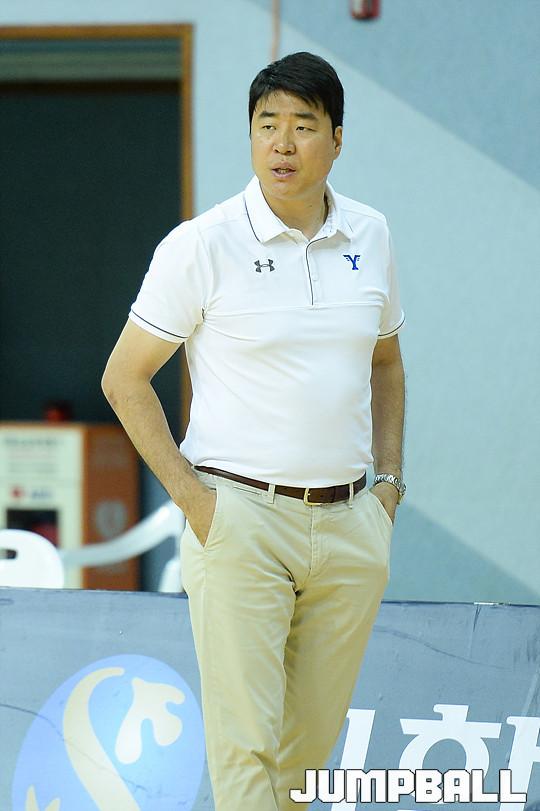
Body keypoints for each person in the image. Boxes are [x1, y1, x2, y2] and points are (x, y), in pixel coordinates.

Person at [102, 51, 406, 811]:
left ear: (337, 139)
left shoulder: (371, 234)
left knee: (305, 758)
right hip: (239, 519)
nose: (283, 143)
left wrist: (389, 488)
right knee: (246, 753)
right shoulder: (201, 244)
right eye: (267, 124)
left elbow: (387, 363)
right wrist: (196, 503)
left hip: (351, 523)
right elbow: (124, 378)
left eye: (303, 125)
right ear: (249, 136)